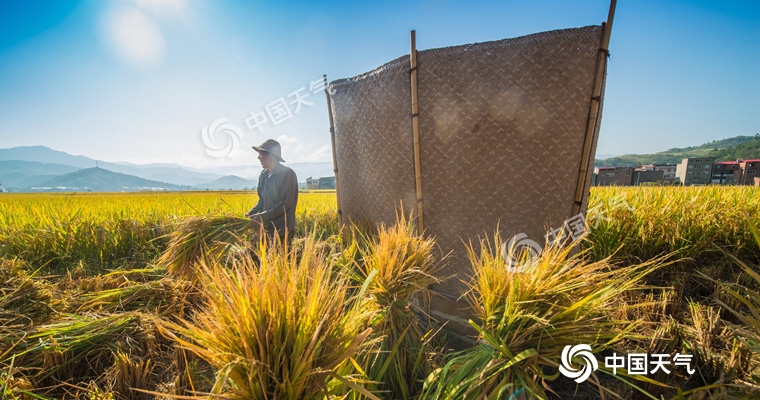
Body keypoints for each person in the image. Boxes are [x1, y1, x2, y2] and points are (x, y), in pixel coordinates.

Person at [246, 139, 298, 247]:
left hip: (282, 230)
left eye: (261, 155)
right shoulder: (263, 175)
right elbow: (262, 200)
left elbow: (285, 204)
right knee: (255, 257)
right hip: (266, 227)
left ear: (271, 156)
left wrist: (262, 216)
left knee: (280, 261)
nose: (258, 158)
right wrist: (251, 214)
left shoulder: (287, 174)